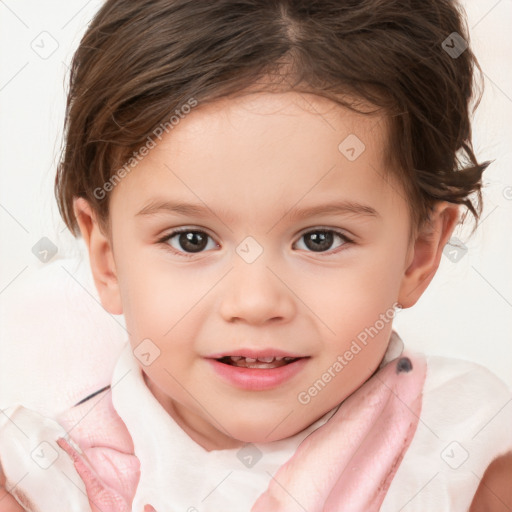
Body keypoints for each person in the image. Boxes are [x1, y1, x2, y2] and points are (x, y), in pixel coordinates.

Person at [1, 0, 511, 510]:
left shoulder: (465, 458)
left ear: (418, 253)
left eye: (320, 239)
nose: (255, 302)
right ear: (107, 258)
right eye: (191, 240)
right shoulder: (43, 480)